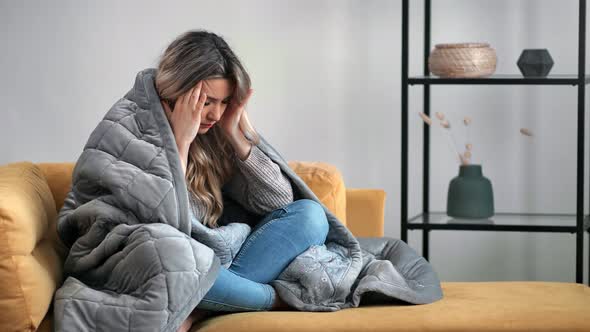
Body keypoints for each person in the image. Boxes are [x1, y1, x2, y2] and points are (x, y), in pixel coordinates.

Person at [153, 30, 330, 332]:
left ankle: (201, 308)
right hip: (179, 265)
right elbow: (161, 228)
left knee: (312, 216)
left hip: (223, 266)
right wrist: (180, 146)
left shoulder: (216, 134)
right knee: (173, 268)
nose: (215, 114)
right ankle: (262, 298)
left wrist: (237, 135)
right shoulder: (137, 133)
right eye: (206, 101)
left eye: (224, 102)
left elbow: (279, 203)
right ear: (176, 92)